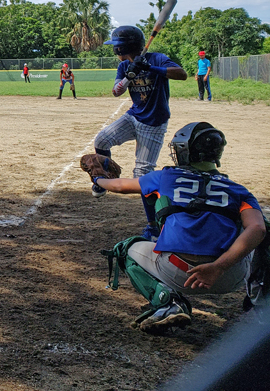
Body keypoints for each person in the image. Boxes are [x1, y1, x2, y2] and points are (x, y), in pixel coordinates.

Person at [92, 122, 266, 335]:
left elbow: (119, 185)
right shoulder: (239, 190)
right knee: (262, 230)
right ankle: (262, 303)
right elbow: (257, 229)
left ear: (185, 151)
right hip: (230, 276)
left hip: (179, 272)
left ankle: (167, 303)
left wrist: (98, 179)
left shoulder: (166, 176)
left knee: (127, 248)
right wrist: (220, 266)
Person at [92, 26, 187, 239]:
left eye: (116, 47)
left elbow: (182, 74)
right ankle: (107, 176)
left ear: (123, 48)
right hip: (133, 116)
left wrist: (151, 68)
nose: (115, 51)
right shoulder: (125, 65)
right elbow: (117, 92)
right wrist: (128, 76)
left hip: (153, 123)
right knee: (102, 140)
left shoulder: (158, 59)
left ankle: (153, 226)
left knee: (142, 174)